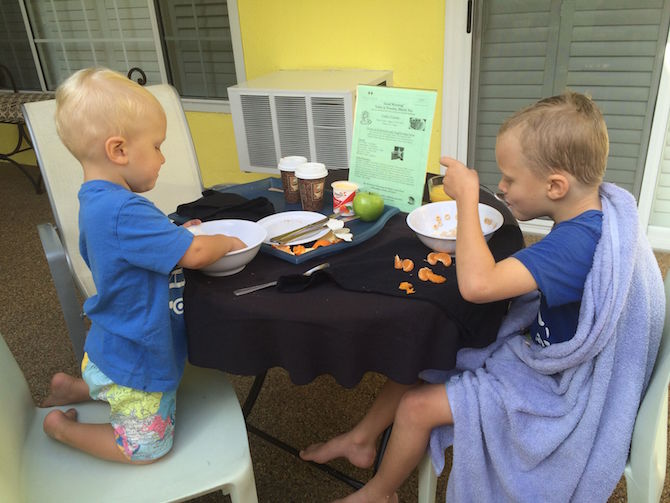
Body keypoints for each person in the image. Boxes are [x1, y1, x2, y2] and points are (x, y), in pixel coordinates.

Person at [301, 91, 664, 502]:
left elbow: (477, 286)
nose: (503, 188)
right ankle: (363, 440)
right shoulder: (591, 216)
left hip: (554, 391)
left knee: (416, 408)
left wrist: (468, 200)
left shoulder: (576, 244)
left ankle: (380, 492)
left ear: (556, 185)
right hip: (541, 358)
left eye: (510, 178)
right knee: (428, 349)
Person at [40, 67, 247, 464]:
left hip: (113, 343)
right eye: (156, 146)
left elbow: (134, 245)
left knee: (114, 385)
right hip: (136, 360)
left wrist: (174, 232)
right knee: (146, 448)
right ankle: (62, 428)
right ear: (119, 150)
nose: (163, 158)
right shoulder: (123, 210)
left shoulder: (101, 199)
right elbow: (198, 255)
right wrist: (225, 241)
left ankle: (75, 388)